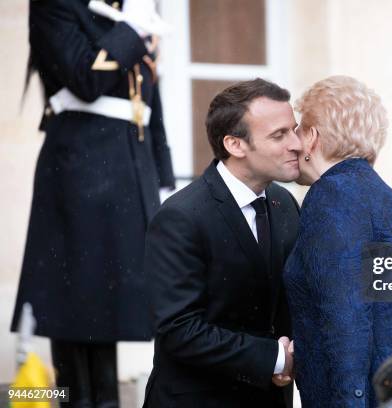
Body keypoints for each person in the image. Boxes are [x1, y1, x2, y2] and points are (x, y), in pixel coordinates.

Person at [10, 0, 175, 406]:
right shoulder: (59, 7)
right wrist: (131, 32)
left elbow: (149, 110)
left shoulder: (126, 13)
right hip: (80, 173)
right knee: (75, 309)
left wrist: (164, 184)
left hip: (127, 175)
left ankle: (104, 401)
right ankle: (74, 400)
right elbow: (86, 78)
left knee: (111, 309)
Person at [283, 76, 392, 408]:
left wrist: (349, 401)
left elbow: (346, 316)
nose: (294, 142)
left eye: (299, 129)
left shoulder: (332, 194)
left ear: (313, 137)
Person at [143, 79, 300, 407]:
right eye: (279, 135)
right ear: (235, 144)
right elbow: (179, 330)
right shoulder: (181, 217)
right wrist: (273, 358)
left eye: (294, 130)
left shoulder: (285, 203)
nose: (296, 144)